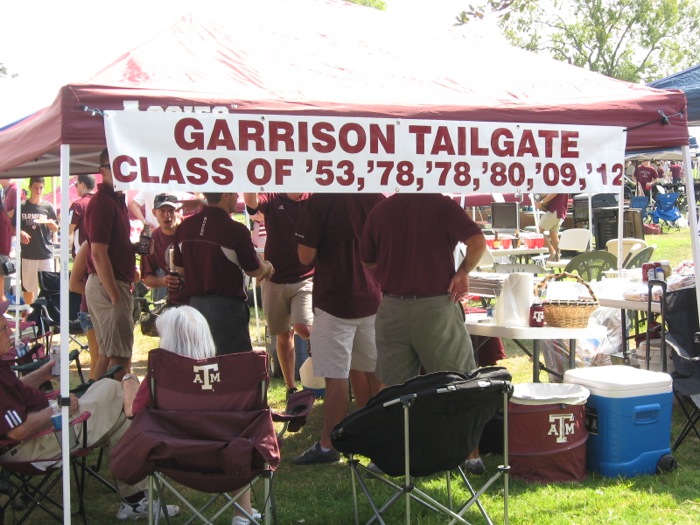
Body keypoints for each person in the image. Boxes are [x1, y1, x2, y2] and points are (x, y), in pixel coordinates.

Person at [0, 299, 180, 521]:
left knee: (114, 402)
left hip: (45, 429)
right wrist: (58, 408)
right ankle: (135, 498)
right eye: (3, 327)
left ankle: (134, 501)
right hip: (38, 442)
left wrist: (43, 375)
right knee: (116, 393)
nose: (9, 330)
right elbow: (16, 432)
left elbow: (16, 391)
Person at [359, 193, 487, 473]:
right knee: (460, 381)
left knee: (391, 387)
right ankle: (470, 457)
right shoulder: (441, 205)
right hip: (435, 307)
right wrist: (463, 270)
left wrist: (398, 267)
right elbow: (477, 242)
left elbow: (368, 261)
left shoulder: (381, 210)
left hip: (392, 307)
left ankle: (384, 457)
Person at [121, 305, 258, 524]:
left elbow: (133, 413)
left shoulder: (158, 380)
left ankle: (244, 512)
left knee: (233, 437)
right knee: (237, 435)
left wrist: (129, 383)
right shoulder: (228, 378)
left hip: (174, 458)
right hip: (228, 459)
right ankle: (242, 514)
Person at [292, 194, 383, 466]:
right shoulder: (377, 197)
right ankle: (381, 441)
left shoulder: (319, 201)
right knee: (376, 373)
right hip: (371, 297)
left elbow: (304, 256)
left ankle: (328, 445)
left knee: (336, 376)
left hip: (335, 300)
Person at [173, 192, 274, 355]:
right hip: (226, 310)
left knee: (198, 364)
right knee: (231, 367)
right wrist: (268, 267)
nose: (237, 197)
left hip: (193, 307)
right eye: (235, 193)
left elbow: (181, 269)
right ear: (226, 195)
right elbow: (254, 269)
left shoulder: (185, 227)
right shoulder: (235, 230)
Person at [244, 193, 314, 398]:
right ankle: (291, 387)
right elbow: (251, 202)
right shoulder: (272, 195)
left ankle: (323, 372)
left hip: (306, 276)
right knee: (283, 335)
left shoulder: (313, 196)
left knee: (305, 328)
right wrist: (249, 166)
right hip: (275, 277)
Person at [84, 149, 137, 381]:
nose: (121, 171)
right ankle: (114, 412)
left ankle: (94, 411)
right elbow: (97, 252)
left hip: (108, 282)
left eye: (124, 165)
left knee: (108, 355)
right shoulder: (103, 201)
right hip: (108, 283)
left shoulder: (115, 199)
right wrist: (114, 294)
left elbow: (105, 248)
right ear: (103, 170)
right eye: (114, 165)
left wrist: (133, 249)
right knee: (119, 358)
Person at [19, 177, 59, 305]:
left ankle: (48, 312)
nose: (38, 190)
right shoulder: (22, 206)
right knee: (28, 287)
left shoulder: (48, 207)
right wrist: (20, 232)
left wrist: (51, 224)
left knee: (49, 286)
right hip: (28, 253)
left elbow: (56, 227)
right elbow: (13, 226)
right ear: (30, 187)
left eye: (41, 188)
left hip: (45, 253)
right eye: (36, 187)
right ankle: (28, 312)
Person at [140, 193, 184, 304]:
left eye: (171, 211)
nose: (167, 215)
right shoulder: (152, 239)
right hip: (171, 292)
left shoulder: (191, 230)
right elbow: (147, 277)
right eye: (162, 211)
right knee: (161, 274)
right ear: (154, 212)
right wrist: (162, 281)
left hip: (196, 292)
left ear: (178, 211)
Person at [69, 240, 101, 380]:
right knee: (99, 359)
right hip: (91, 312)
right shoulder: (87, 246)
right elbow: (74, 284)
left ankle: (122, 399)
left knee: (121, 359)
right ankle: (92, 398)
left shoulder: (122, 241)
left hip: (116, 310)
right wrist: (102, 296)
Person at [68, 174, 95, 258]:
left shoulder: (77, 205)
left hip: (82, 253)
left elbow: (68, 230)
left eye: (77, 184)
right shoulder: (103, 203)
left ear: (83, 185)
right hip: (100, 251)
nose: (76, 187)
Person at [535, 193, 568, 262]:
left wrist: (541, 202)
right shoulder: (564, 183)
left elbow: (554, 193)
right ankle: (557, 257)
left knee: (538, 231)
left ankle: (552, 252)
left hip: (554, 211)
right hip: (560, 212)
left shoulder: (558, 183)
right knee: (553, 235)